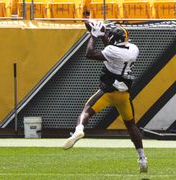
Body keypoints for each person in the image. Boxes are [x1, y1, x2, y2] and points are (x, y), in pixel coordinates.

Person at [63, 21, 148, 173]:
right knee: (131, 125)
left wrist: (93, 35)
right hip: (124, 94)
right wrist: (103, 34)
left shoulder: (111, 51)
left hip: (108, 91)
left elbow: (90, 53)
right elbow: (111, 48)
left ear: (114, 39)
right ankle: (142, 158)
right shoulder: (134, 48)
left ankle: (79, 130)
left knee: (87, 110)